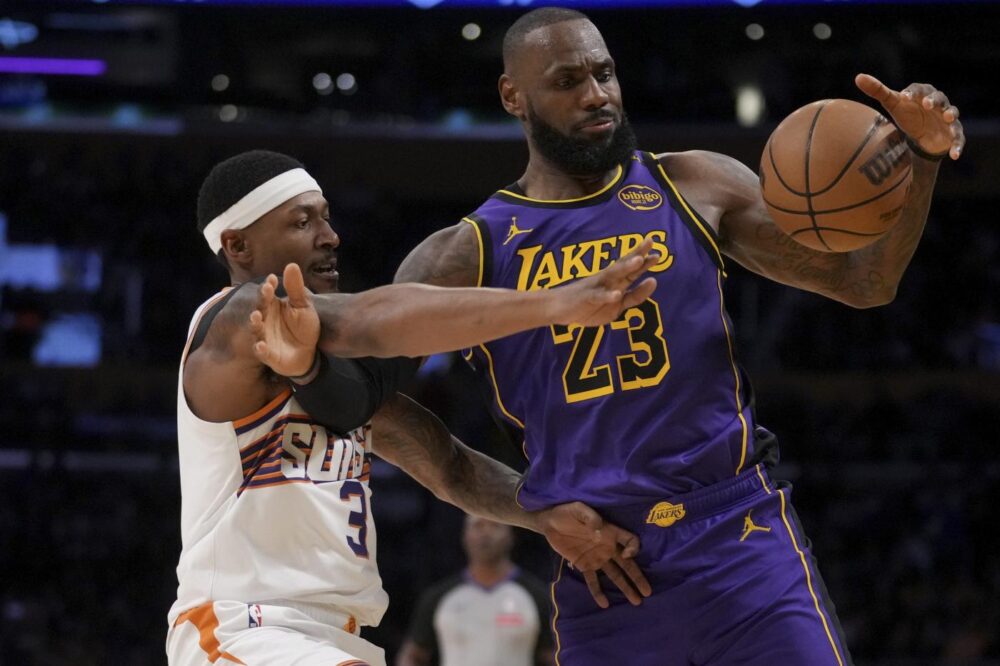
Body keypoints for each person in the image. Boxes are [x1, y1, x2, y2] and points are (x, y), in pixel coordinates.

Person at [391, 7, 966, 665]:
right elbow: (366, 404)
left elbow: (865, 282)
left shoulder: (692, 185)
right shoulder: (469, 253)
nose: (596, 94)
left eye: (605, 73)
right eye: (568, 80)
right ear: (512, 96)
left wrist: (922, 157)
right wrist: (527, 510)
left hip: (741, 540)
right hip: (604, 567)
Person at [166, 150, 657, 666]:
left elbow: (448, 465)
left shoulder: (332, 378)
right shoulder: (236, 319)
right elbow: (369, 321)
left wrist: (544, 516)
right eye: (302, 221)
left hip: (331, 637)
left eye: (326, 217)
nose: (330, 236)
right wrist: (555, 304)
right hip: (242, 626)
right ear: (238, 245)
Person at [396, 515, 555, 666]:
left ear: (512, 536)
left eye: (495, 525)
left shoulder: (537, 596)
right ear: (464, 535)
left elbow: (554, 657)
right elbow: (412, 656)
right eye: (478, 525)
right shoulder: (439, 597)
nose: (486, 533)